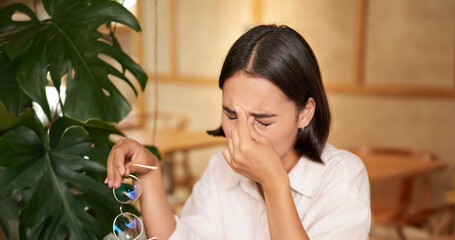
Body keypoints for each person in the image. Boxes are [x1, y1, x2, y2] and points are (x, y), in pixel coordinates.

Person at [105, 24, 371, 239]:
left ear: (305, 112)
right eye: (231, 115)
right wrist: (150, 173)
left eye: (263, 121)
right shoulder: (221, 168)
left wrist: (274, 182)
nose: (240, 135)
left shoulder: (342, 177)